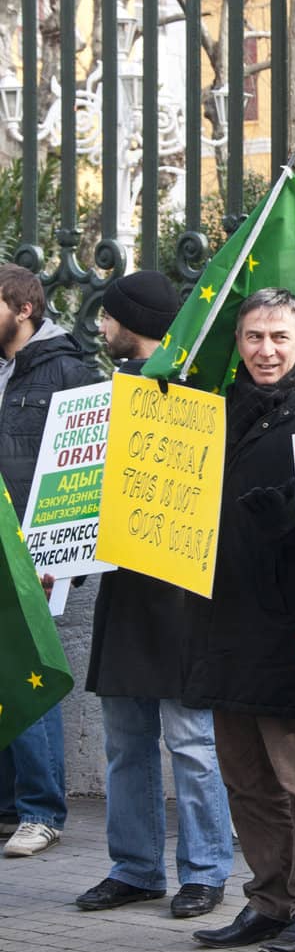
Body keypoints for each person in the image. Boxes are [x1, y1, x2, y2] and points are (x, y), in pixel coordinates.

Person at [184, 289, 295, 952]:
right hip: (224, 617)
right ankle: (269, 900)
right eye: (253, 337)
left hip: (294, 622)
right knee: (246, 777)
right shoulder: (219, 407)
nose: (265, 350)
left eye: (279, 337)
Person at [76, 271, 233, 919]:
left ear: (129, 322)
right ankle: (135, 867)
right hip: (125, 584)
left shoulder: (191, 389)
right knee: (125, 738)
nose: (101, 327)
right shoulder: (106, 394)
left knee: (191, 739)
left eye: (108, 317)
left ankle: (206, 869)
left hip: (180, 588)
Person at [0, 264, 98, 859]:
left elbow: (84, 472)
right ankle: (10, 806)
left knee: (30, 667)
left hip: (33, 557)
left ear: (23, 308)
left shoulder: (69, 372)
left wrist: (64, 553)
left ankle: (42, 812)